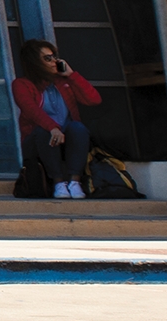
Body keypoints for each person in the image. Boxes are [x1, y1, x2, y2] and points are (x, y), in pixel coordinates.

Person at [14, 39, 104, 200]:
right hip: (38, 140)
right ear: (34, 62)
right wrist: (52, 128)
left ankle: (74, 182)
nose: (54, 61)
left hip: (67, 137)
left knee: (78, 128)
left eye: (54, 57)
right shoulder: (22, 84)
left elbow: (94, 100)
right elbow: (32, 111)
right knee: (44, 132)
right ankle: (58, 183)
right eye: (47, 58)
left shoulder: (63, 82)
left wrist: (71, 75)